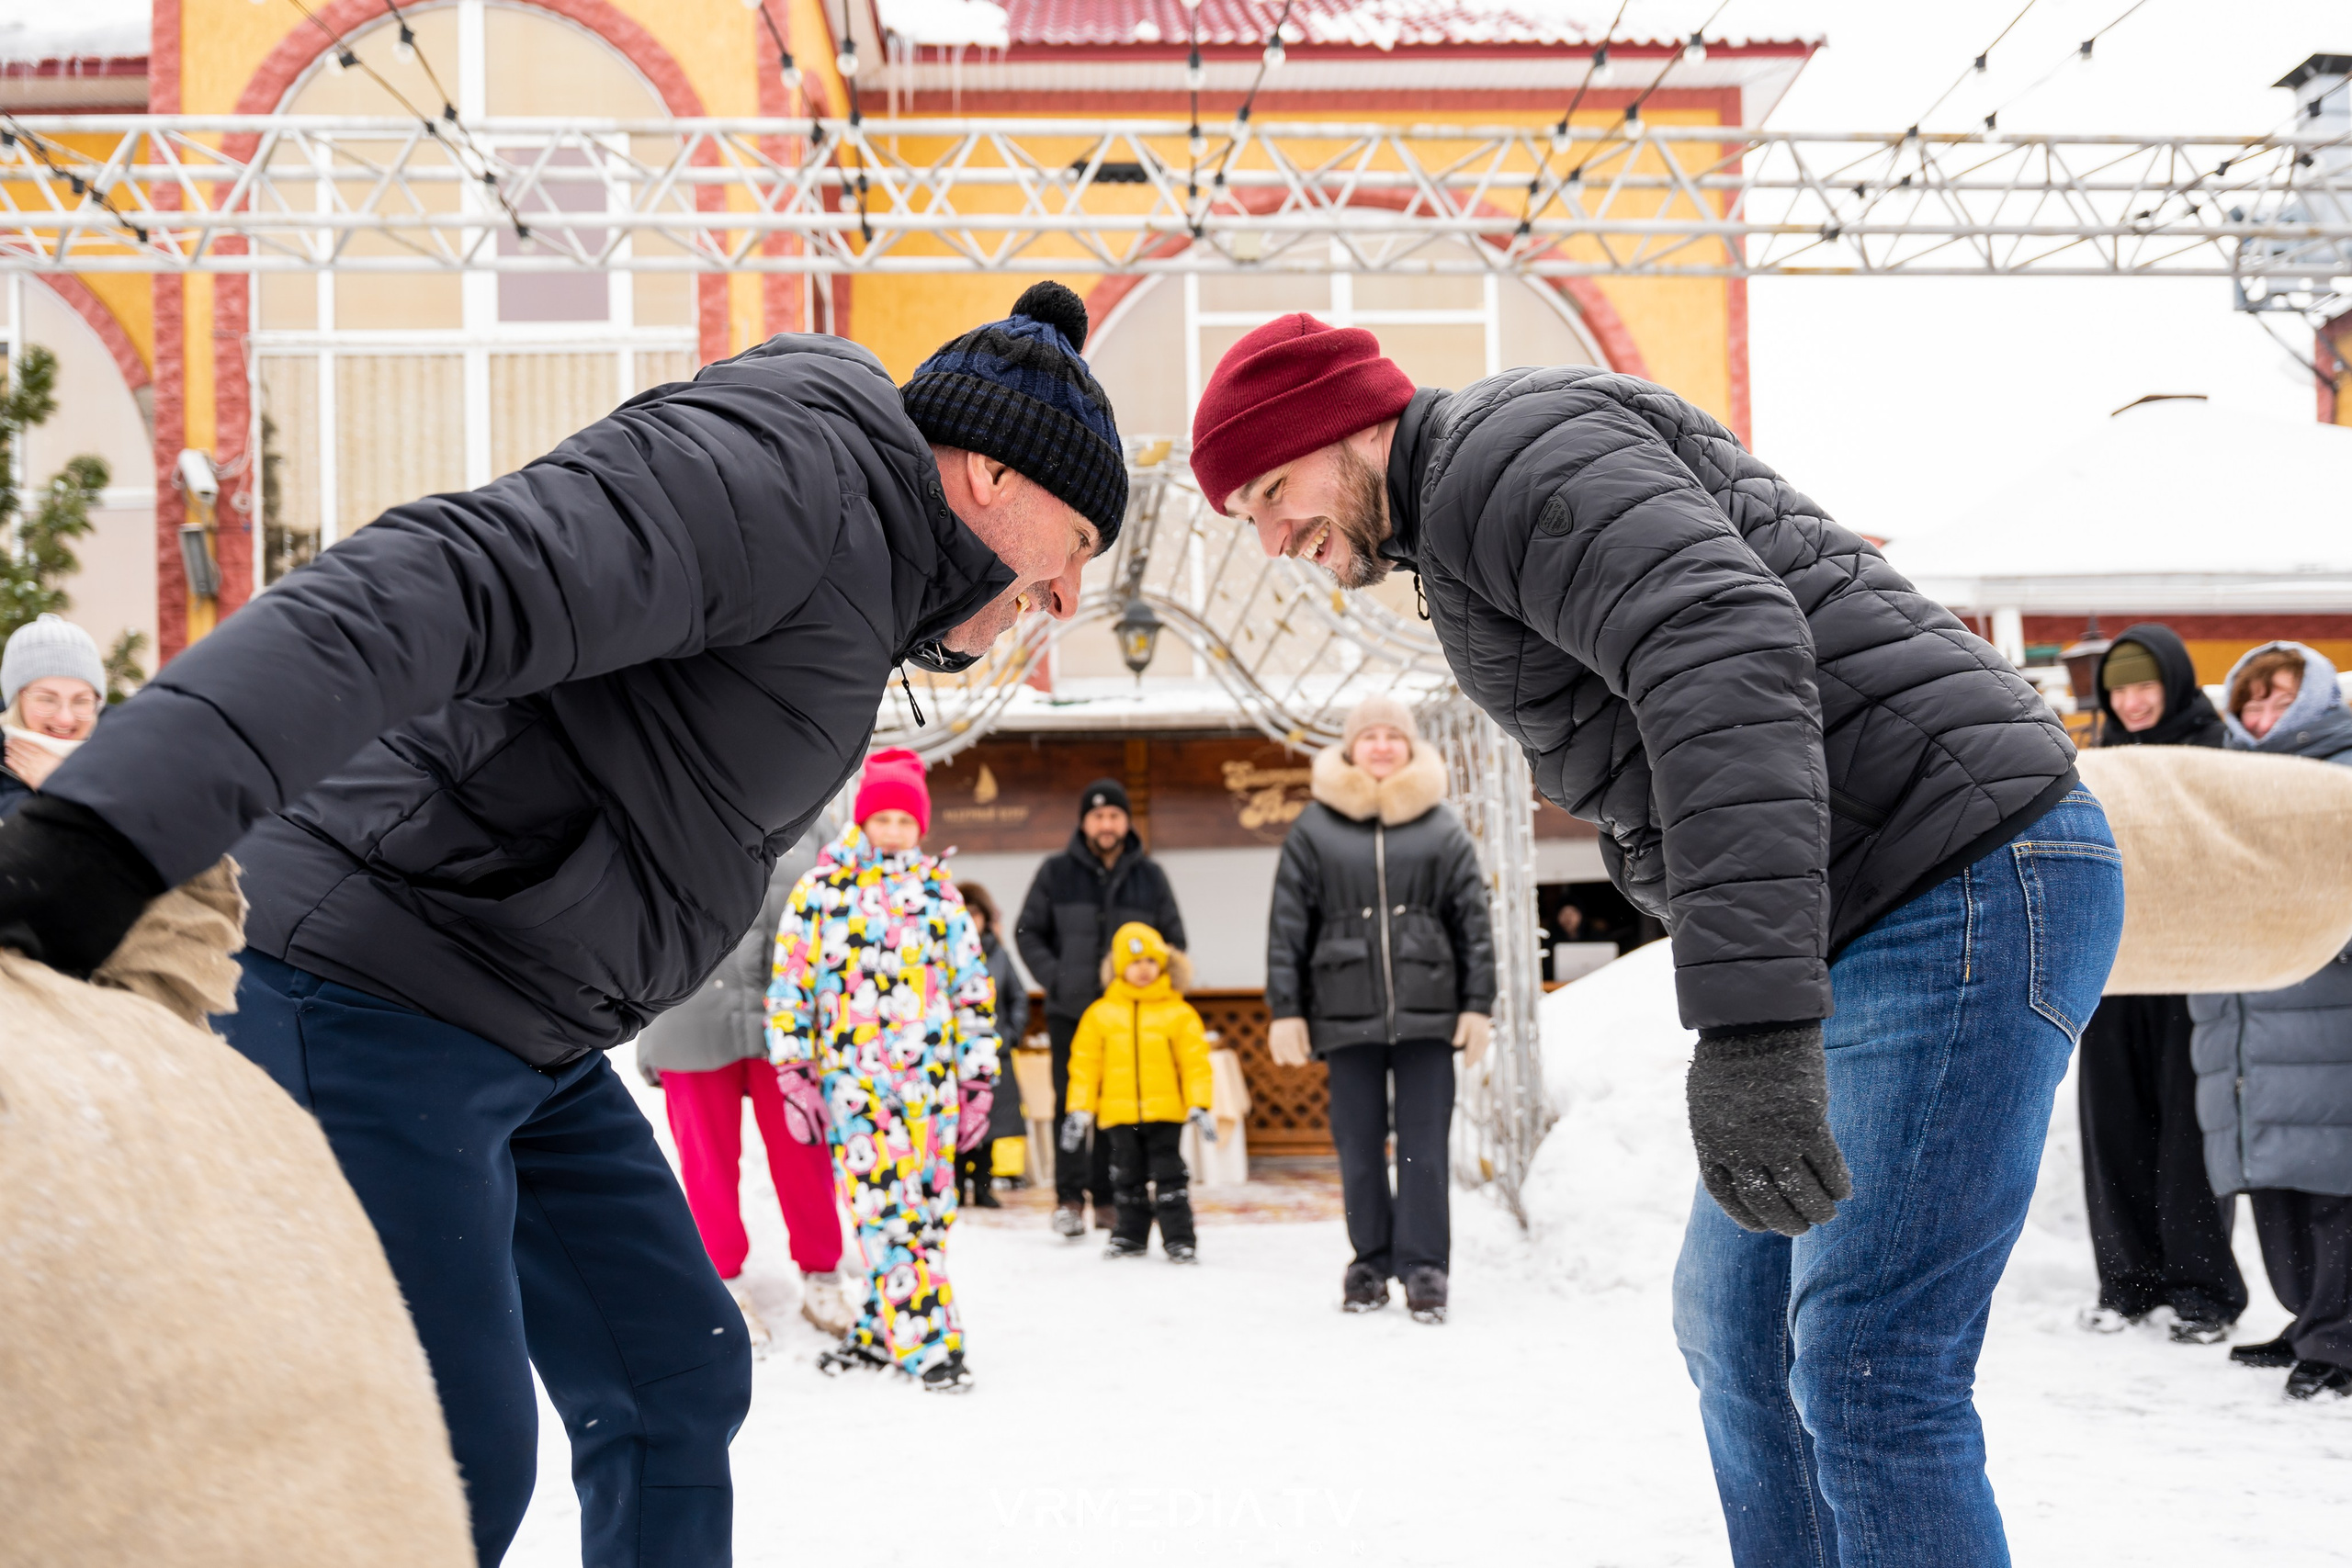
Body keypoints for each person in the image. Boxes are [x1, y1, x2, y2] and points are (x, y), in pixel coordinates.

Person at [0, 282, 1121, 1565]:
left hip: (525, 1022)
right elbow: (445, 579)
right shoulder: (782, 478)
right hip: (370, 975)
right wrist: (113, 823)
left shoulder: (875, 570)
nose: (1070, 593)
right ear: (988, 473)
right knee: (444, 1448)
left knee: (672, 1373)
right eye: (1075, 539)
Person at [1195, 316, 2120, 1565]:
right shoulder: (1469, 505)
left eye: (1272, 490)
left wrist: (1751, 1025)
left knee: (1864, 1363)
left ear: (1354, 422)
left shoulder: (1501, 458)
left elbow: (1723, 652)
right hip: (1880, 890)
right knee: (1735, 1333)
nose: (1270, 537)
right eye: (1242, 514)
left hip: (1952, 870)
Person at [765, 749, 999, 1391]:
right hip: (857, 1089)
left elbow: (974, 993)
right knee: (887, 1211)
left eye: (905, 819)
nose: (894, 829)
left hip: (933, 1089)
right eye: (883, 817)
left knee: (926, 1212)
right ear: (862, 821)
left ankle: (876, 1325)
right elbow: (790, 988)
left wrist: (979, 1081)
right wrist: (794, 1074)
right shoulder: (823, 890)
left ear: (921, 825)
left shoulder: (939, 896)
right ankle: (931, 1341)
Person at [1263, 694, 1494, 1322]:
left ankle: (1424, 1267)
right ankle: (1368, 1262)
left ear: (1411, 745)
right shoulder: (1314, 828)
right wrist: (1286, 1008)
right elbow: (1289, 925)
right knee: (1358, 1145)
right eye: (1371, 736)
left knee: (1423, 1144)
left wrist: (1478, 1004)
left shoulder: (1441, 825)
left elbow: (1472, 919)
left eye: (1395, 735)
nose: (1383, 744)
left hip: (1429, 1012)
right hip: (1345, 1015)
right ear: (1350, 748)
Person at [2075, 626, 2245, 1343]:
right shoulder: (2099, 757)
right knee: (2112, 1124)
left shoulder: (2218, 749)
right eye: (2119, 689)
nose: (2132, 701)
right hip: (2115, 966)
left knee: (2189, 1131)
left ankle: (2203, 1290)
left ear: (2174, 682)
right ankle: (2127, 1281)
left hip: (2194, 967)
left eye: (2144, 685)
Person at [2192, 641, 2352, 1400]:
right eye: (2250, 701)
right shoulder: (2226, 781)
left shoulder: (2341, 773)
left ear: (2318, 699)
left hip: (2326, 1014)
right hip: (2250, 1011)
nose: (2261, 714)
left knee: (2333, 1184)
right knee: (2277, 1181)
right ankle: (2310, 1318)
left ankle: (2340, 1332)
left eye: (2279, 697)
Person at [636, 834, 854, 1347]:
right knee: (707, 1160)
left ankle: (823, 1277)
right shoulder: (674, 819)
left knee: (806, 1152)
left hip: (790, 1025)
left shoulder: (818, 831)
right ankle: (724, 1283)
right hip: (689, 1015)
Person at [1016, 777, 1187, 1239]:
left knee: (1117, 1107)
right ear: (1084, 821)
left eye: (1114, 815)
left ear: (1126, 821)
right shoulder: (1055, 872)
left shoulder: (1149, 876)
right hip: (1070, 1012)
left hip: (1130, 1017)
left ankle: (1109, 1197)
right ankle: (1068, 1200)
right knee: (1071, 1105)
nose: (1106, 824)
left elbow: (1174, 943)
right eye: (1098, 816)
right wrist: (1058, 978)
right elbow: (1027, 932)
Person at [1061, 920, 1214, 1262]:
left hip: (1166, 1113)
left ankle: (1179, 1237)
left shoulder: (1179, 1013)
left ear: (1162, 963)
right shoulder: (1100, 1015)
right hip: (1119, 1113)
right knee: (1126, 1176)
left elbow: (1194, 1064)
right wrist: (1079, 1108)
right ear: (1118, 968)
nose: (1142, 969)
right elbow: (1085, 1066)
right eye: (1133, 962)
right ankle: (1130, 1235)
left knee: (1170, 1176)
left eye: (1149, 961)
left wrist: (1199, 1103)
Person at [955, 881, 1030, 1205]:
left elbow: (1019, 999)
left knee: (989, 1123)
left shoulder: (998, 955)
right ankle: (956, 1187)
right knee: (958, 1123)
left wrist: (1008, 1036)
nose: (971, 920)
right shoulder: (943, 951)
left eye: (976, 913)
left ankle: (983, 1187)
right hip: (955, 1054)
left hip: (993, 1053)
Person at [1, 614, 106, 818]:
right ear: (17, 701)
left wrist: (61, 781)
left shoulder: (126, 760)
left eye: (81, 701)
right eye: (47, 699)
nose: (65, 718)